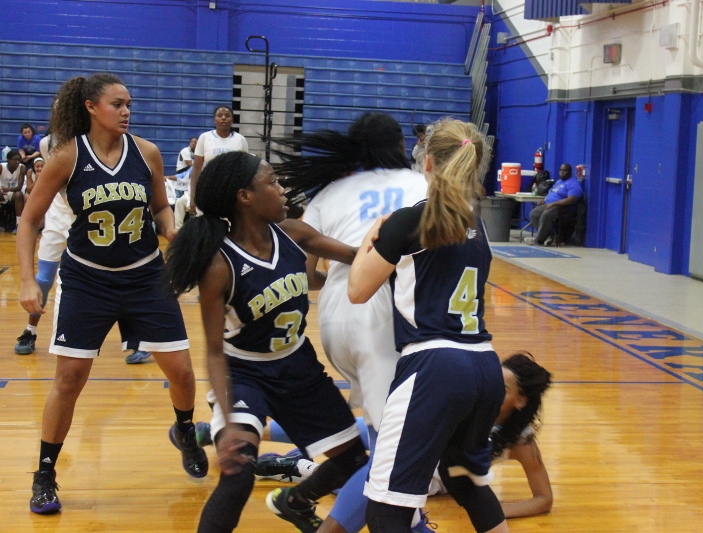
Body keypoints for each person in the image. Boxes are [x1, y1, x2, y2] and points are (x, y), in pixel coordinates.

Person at [16, 73, 207, 515]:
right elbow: (27, 221)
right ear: (90, 107)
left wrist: (172, 230)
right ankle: (44, 473)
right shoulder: (67, 157)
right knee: (68, 380)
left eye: (128, 105)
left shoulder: (147, 152)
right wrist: (28, 280)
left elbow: (160, 206)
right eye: (117, 104)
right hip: (88, 279)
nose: (125, 111)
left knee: (181, 372)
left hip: (145, 276)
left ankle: (184, 430)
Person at [164, 151, 369, 533]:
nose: (282, 189)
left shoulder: (294, 233)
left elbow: (359, 257)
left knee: (354, 459)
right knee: (238, 474)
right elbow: (213, 351)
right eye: (273, 181)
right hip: (244, 372)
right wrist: (227, 420)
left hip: (298, 366)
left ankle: (295, 501)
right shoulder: (219, 264)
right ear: (245, 197)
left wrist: (400, 235)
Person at [348, 118, 510, 533]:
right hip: (485, 366)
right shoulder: (479, 226)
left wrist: (371, 236)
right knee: (465, 481)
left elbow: (357, 290)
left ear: (428, 162)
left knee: (385, 510)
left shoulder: (410, 221)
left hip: (434, 367)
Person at [270, 112, 429, 533]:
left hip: (334, 318)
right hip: (383, 319)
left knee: (384, 440)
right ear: (401, 145)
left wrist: (338, 277)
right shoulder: (421, 185)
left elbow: (304, 273)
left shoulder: (331, 191)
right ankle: (307, 506)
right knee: (394, 453)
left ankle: (409, 522)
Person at [259, 352, 554, 520]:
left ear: (520, 401)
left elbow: (544, 499)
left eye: (502, 388)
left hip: (417, 478)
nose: (490, 388)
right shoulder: (470, 397)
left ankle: (298, 467)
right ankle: (253, 430)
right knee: (347, 429)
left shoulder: (520, 441)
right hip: (407, 444)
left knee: (358, 474)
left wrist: (495, 510)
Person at [14, 131, 151, 365]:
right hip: (58, 215)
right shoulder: (48, 143)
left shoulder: (99, 139)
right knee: (44, 279)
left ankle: (137, 338)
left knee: (116, 270)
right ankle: (31, 330)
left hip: (90, 217)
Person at [187, 105, 248, 216]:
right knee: (208, 224)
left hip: (231, 192)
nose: (223, 118)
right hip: (208, 190)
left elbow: (245, 170)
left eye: (227, 116)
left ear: (232, 120)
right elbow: (196, 170)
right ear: (214, 120)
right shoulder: (205, 137)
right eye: (220, 115)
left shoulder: (240, 140)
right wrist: (193, 197)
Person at [524, 163, 582, 246]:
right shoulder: (558, 182)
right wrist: (544, 199)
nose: (562, 172)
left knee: (546, 215)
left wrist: (553, 204)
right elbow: (552, 193)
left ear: (569, 172)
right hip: (549, 204)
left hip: (563, 208)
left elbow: (572, 200)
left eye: (564, 170)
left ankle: (538, 240)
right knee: (534, 214)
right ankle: (549, 236)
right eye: (560, 170)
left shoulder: (573, 184)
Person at [1, 151, 25, 231]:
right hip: (2, 192)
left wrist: (8, 189)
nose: (17, 162)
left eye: (19, 160)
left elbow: (19, 187)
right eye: (15, 160)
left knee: (19, 195)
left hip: (14, 192)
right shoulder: (1, 167)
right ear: (8, 160)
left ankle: (18, 223)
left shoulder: (22, 167)